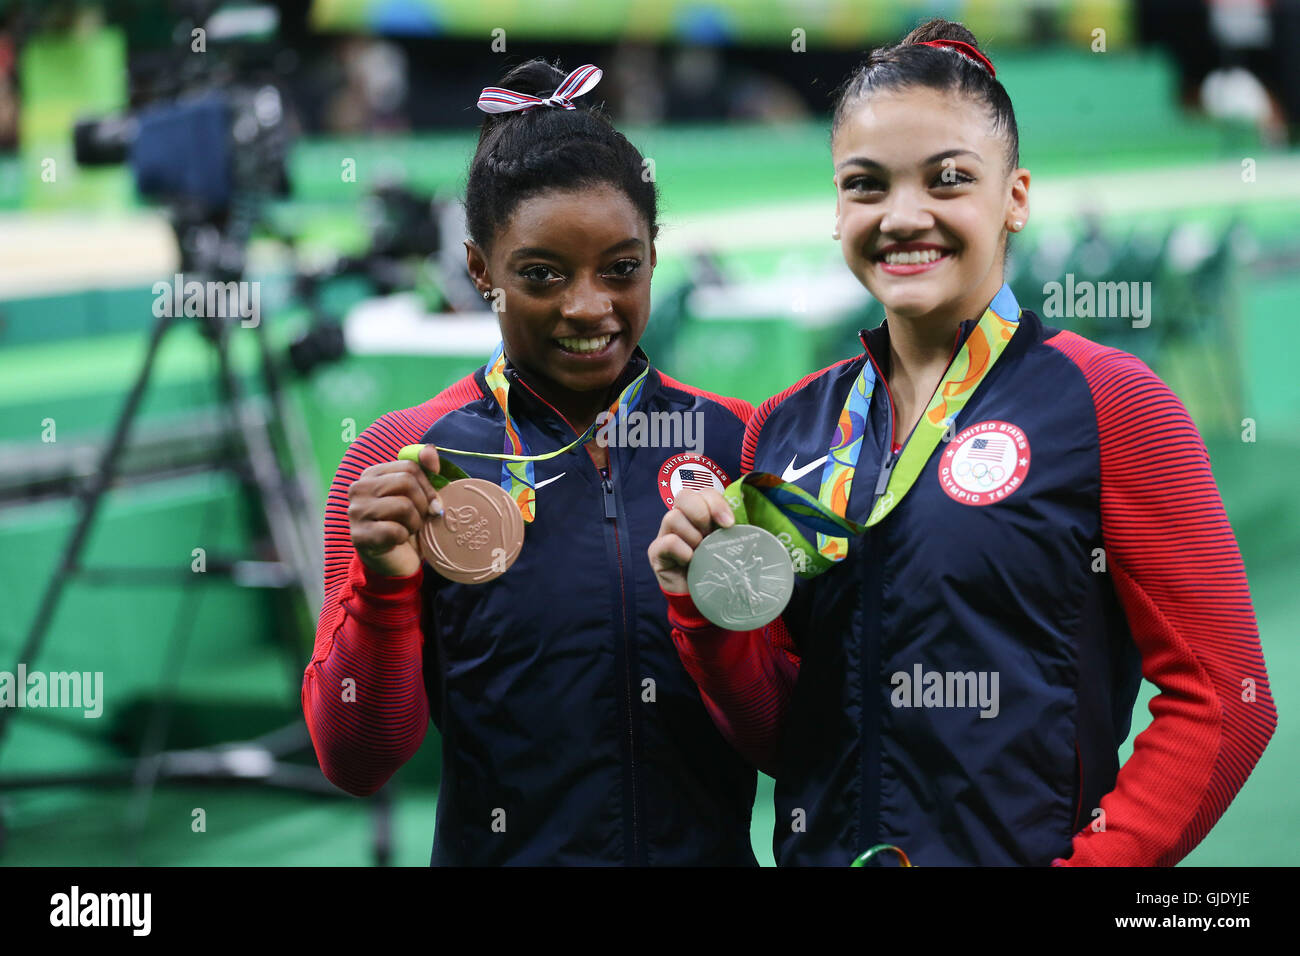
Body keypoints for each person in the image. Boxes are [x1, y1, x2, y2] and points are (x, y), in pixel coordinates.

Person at [648, 19, 1277, 866]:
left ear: (1014, 196)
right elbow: (787, 735)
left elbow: (1228, 698)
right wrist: (708, 610)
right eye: (866, 186)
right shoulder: (789, 427)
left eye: (948, 180)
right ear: (837, 211)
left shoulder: (1112, 404)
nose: (904, 217)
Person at [304, 59, 759, 865]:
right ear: (482, 271)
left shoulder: (736, 444)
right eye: (542, 275)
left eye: (621, 269)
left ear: (655, 253)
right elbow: (356, 760)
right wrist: (384, 591)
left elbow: (792, 732)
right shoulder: (407, 458)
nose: (588, 307)